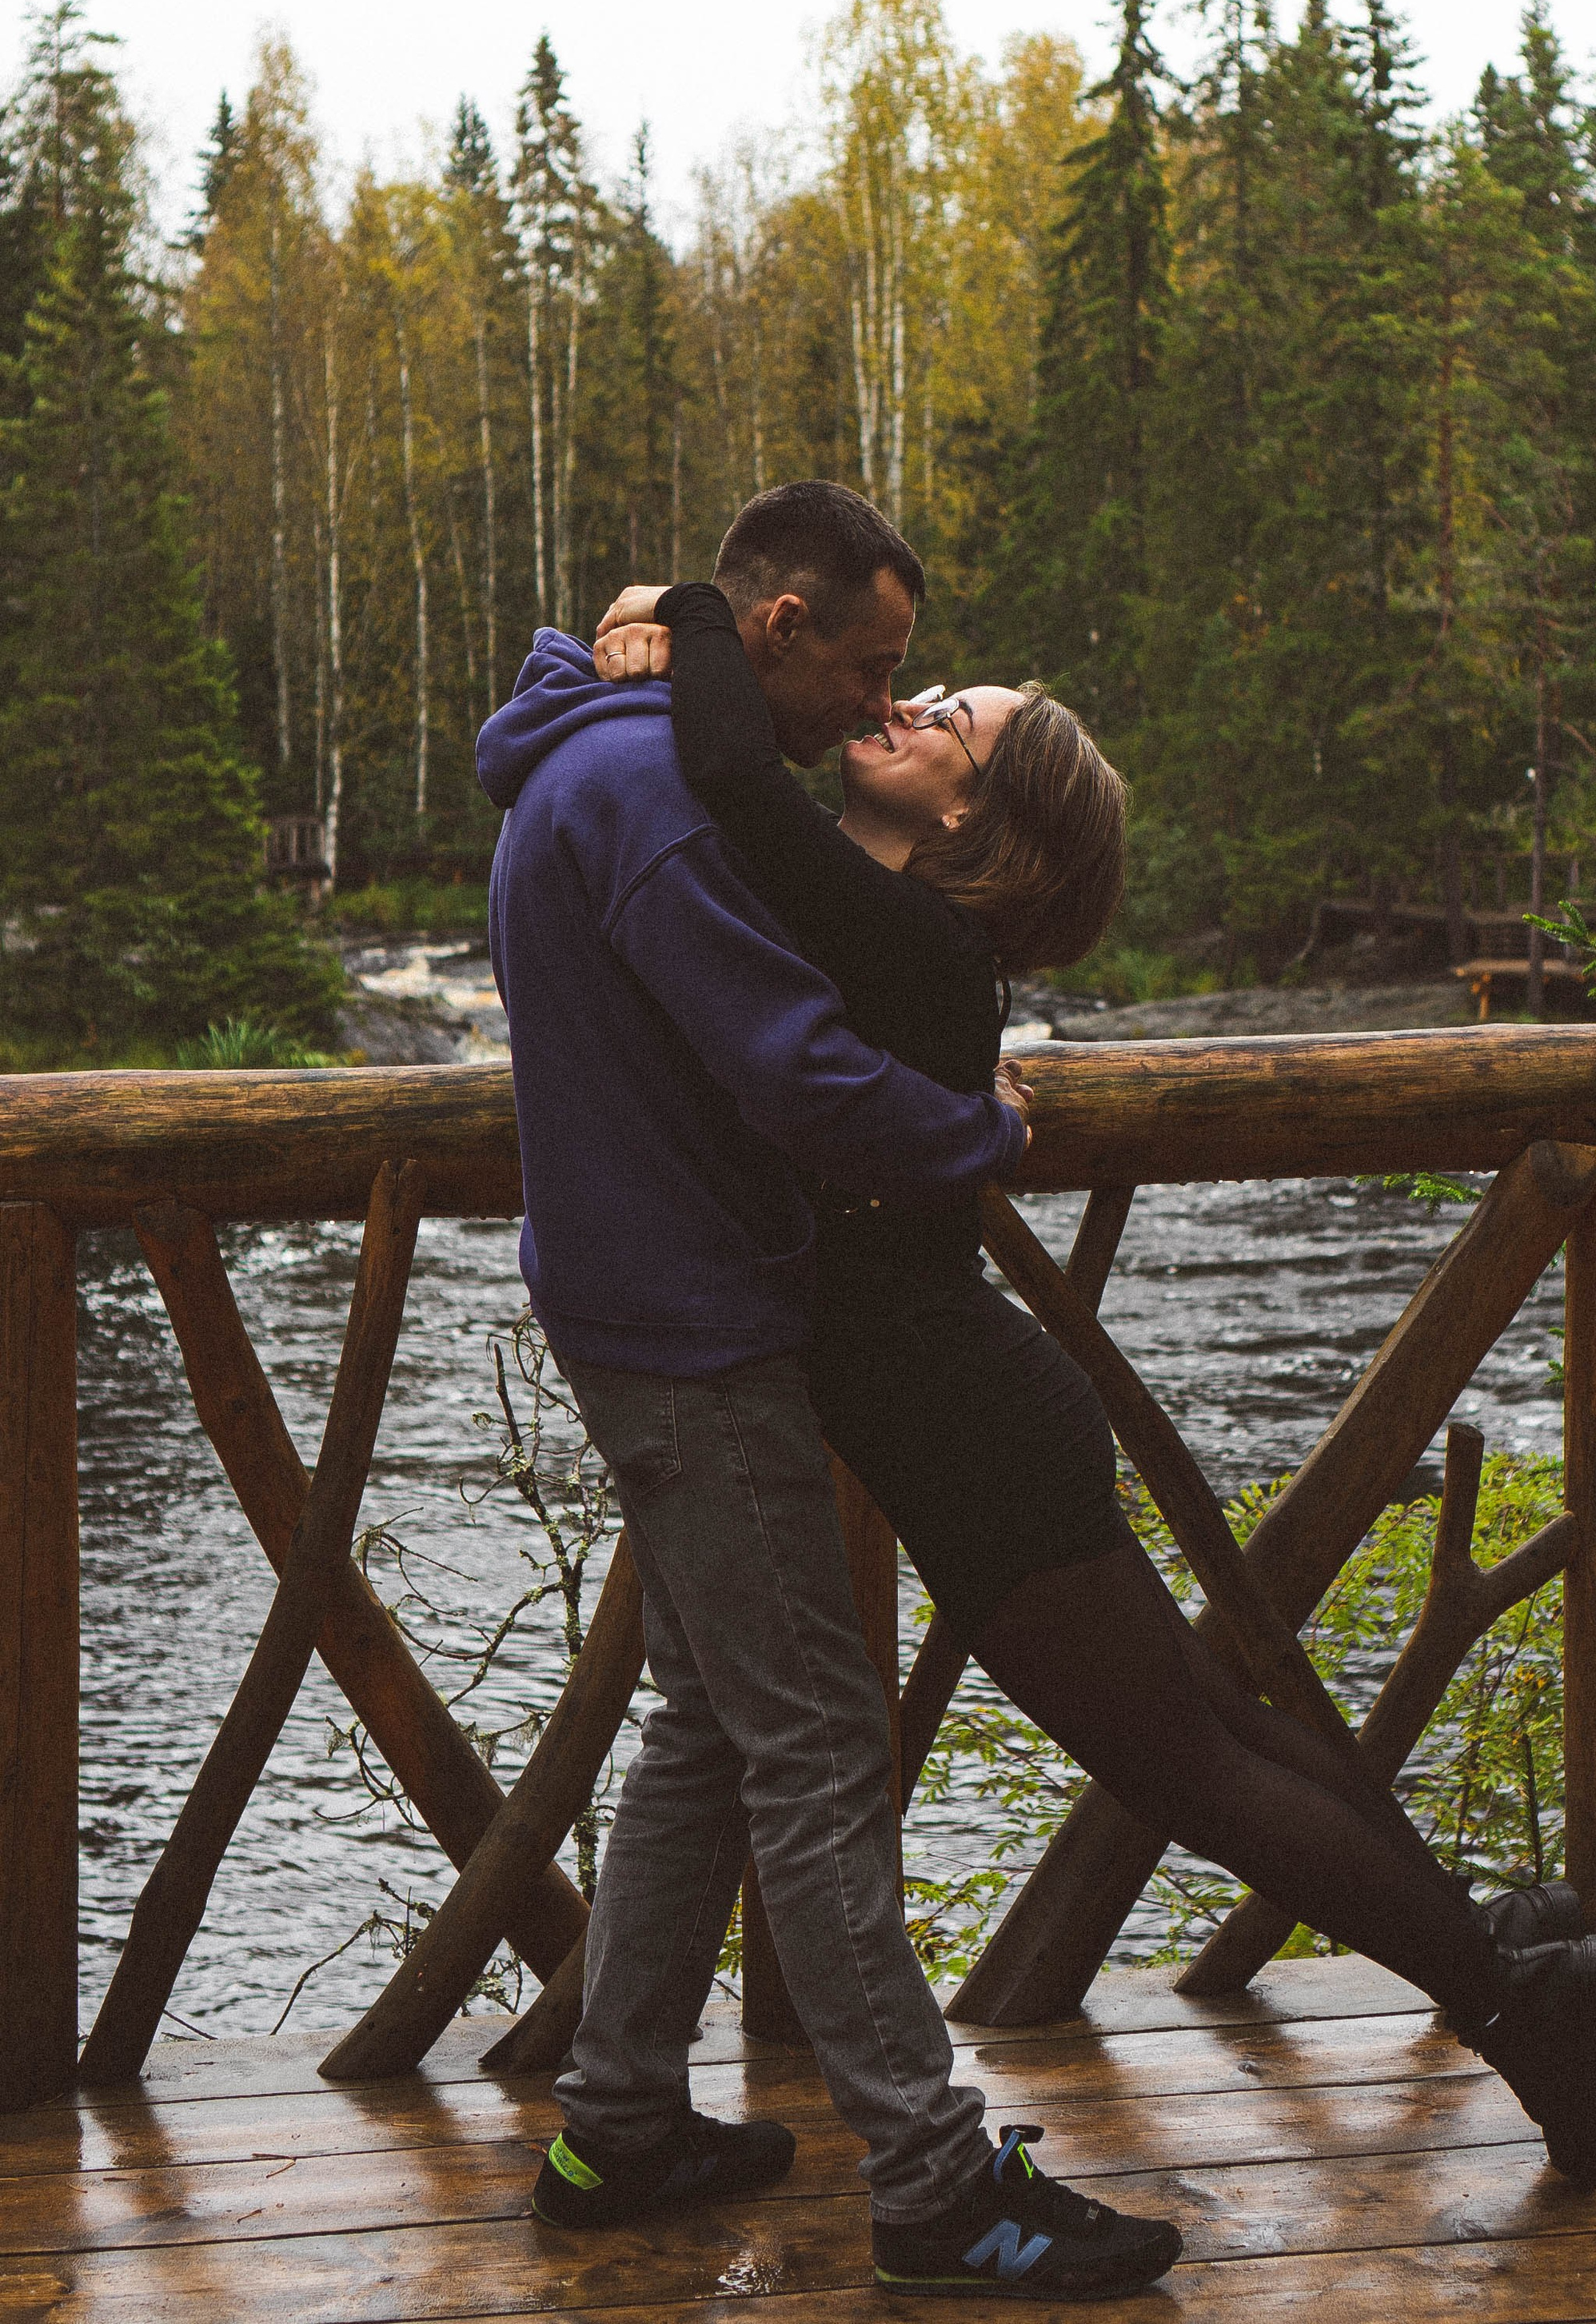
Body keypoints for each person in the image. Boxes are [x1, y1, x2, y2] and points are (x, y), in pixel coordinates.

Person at [590, 564, 1596, 2191]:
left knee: (1190, 1766)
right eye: (921, 695)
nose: (899, 711)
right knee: (1217, 1731)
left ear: (969, 827)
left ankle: (1507, 1998)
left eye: (946, 724)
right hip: (974, 1409)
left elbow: (724, 767)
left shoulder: (898, 931)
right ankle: (1507, 1955)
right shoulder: (886, 931)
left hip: (968, 1430)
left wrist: (695, 603)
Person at [478, 478, 1183, 2297]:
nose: (884, 701)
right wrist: (976, 1126)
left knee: (711, 1726)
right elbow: (795, 1071)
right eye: (873, 665)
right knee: (812, 1751)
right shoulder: (652, 798)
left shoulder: (602, 748)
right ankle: (936, 2185)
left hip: (641, 1299)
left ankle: (617, 2120)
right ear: (774, 628)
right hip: (696, 1330)